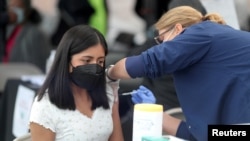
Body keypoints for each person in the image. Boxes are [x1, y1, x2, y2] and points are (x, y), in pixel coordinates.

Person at [106, 6, 250, 141]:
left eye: (161, 40)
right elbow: (198, 135)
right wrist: (153, 112)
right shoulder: (212, 57)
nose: (161, 46)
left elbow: (148, 62)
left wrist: (109, 74)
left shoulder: (200, 33)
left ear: (178, 29)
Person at [29, 25, 124, 141]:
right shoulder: (45, 105)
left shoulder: (107, 92)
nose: (94, 67)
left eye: (100, 61)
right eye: (86, 60)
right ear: (67, 61)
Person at [2, 0, 51, 73]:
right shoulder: (8, 30)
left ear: (27, 10)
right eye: (11, 7)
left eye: (18, 7)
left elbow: (40, 66)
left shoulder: (36, 34)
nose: (13, 10)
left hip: (20, 76)